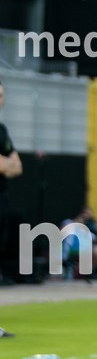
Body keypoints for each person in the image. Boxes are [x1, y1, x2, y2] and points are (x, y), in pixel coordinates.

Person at [0, 81, 23, 287]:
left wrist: (5, 163)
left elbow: (17, 167)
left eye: (1, 96)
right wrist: (7, 163)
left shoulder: (2, 130)